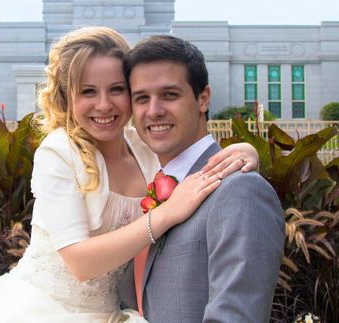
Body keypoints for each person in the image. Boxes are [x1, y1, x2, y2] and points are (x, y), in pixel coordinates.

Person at [0, 27, 259, 323]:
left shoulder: (144, 145)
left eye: (116, 89)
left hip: (120, 310)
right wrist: (166, 214)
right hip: (49, 310)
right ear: (65, 98)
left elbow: (191, 162)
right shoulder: (59, 153)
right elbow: (80, 261)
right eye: (88, 92)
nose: (104, 105)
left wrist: (244, 150)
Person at [118, 34, 285, 322]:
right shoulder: (140, 182)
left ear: (203, 98)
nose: (154, 110)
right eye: (141, 98)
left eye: (170, 95)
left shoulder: (240, 189)